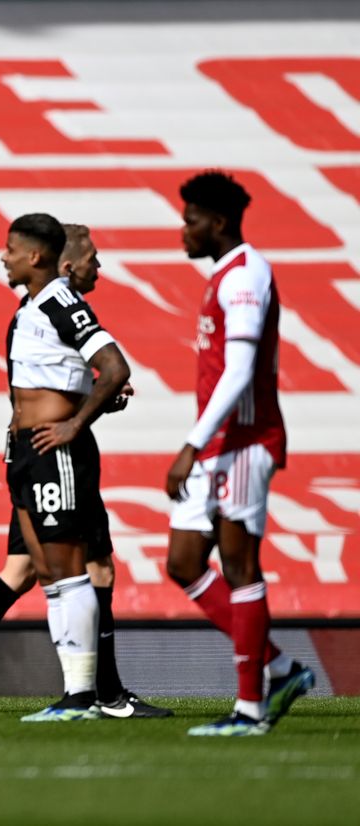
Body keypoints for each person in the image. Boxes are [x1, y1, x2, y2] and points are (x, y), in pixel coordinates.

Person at [0, 225, 171, 720]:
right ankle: (92, 693)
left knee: (70, 569)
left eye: (10, 250)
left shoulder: (59, 302)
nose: (2, 258)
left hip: (53, 453)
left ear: (37, 255)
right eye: (94, 258)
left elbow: (114, 366)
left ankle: (88, 695)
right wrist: (80, 409)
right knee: (50, 570)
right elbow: (60, 377)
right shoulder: (34, 306)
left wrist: (76, 421)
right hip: (30, 454)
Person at [165, 171, 315, 737]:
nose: (184, 231)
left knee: (239, 566)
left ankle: (251, 709)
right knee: (183, 561)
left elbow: (241, 370)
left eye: (191, 220)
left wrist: (190, 443)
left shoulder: (246, 274)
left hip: (246, 441)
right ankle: (278, 668)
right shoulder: (224, 275)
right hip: (219, 444)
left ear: (218, 223)